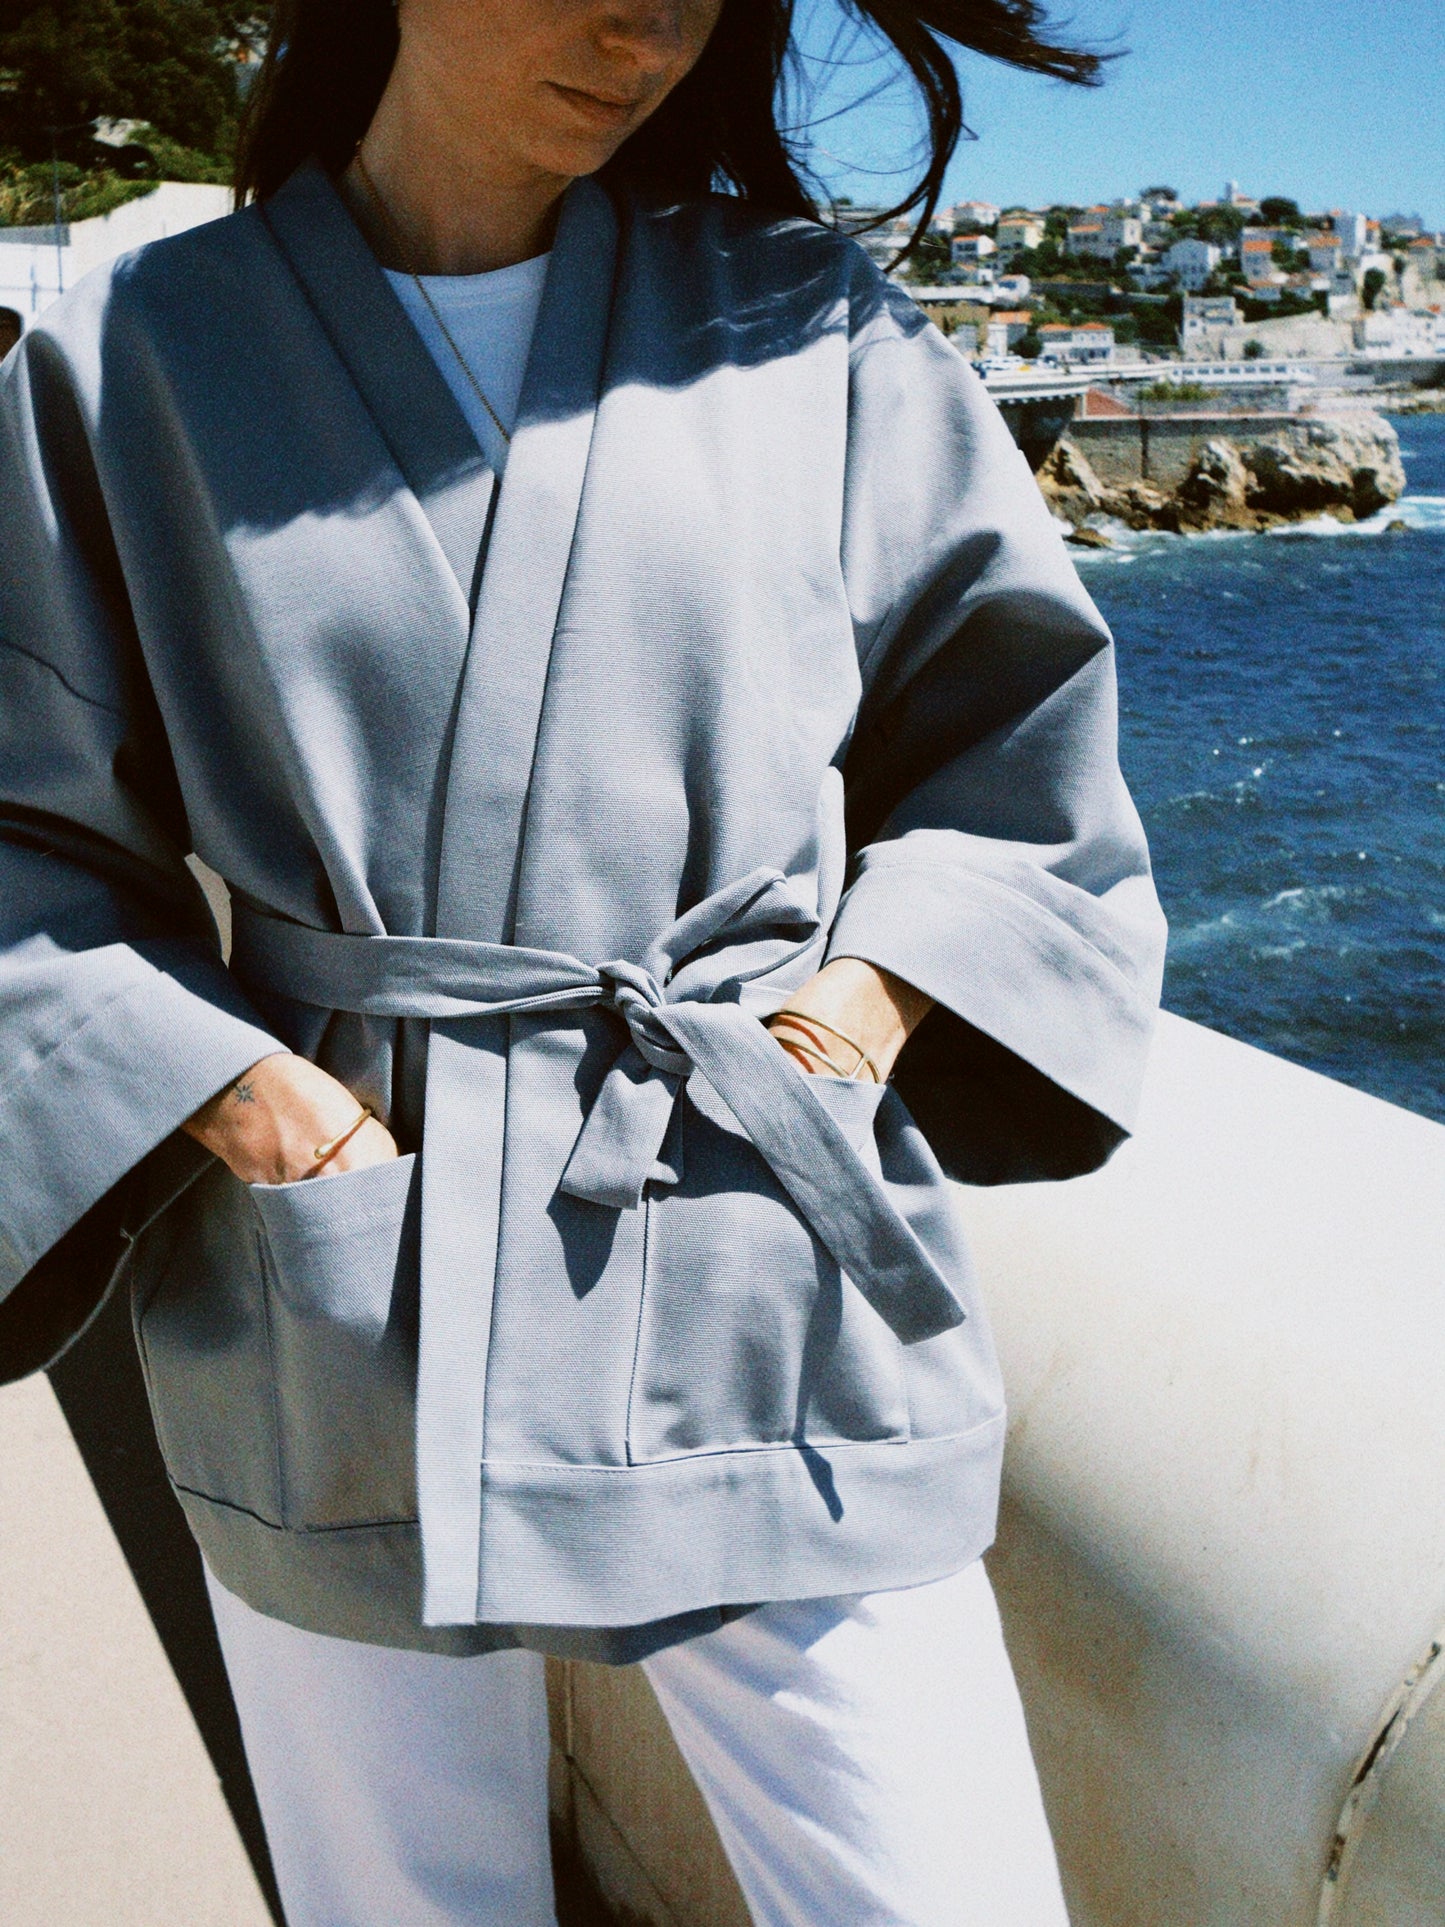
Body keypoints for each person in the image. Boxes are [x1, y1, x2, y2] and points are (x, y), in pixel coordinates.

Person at [0, 2, 1165, 1920]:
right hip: (343, 1287)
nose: (647, 22)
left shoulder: (816, 330)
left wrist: (840, 1020)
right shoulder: (132, 354)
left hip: (750, 1237)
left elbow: (1015, 751)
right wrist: (257, 1104)